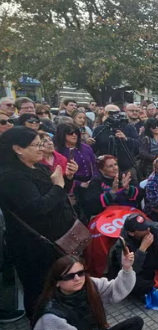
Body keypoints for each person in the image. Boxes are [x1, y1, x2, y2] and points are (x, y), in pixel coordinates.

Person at [0, 127, 78, 318]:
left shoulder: (40, 167)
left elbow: (58, 194)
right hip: (34, 246)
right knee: (39, 291)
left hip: (57, 239)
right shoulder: (11, 177)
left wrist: (67, 179)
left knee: (62, 285)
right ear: (18, 148)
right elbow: (38, 209)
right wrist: (59, 186)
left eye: (41, 144)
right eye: (36, 145)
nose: (41, 149)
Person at [32, 255, 142, 330]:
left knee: (136, 322)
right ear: (57, 283)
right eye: (69, 276)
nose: (77, 278)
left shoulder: (89, 284)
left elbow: (115, 290)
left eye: (80, 273)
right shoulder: (52, 316)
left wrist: (127, 268)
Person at [78, 155, 141, 219]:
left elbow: (140, 196)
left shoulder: (125, 177)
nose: (115, 168)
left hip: (128, 213)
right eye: (110, 166)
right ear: (102, 170)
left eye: (115, 164)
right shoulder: (96, 182)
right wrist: (112, 193)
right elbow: (92, 205)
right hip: (106, 217)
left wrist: (128, 188)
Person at [91, 105, 140, 179]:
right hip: (106, 171)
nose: (114, 115)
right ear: (105, 113)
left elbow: (138, 145)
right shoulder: (99, 129)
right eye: (111, 113)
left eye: (117, 113)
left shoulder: (129, 127)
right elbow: (94, 150)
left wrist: (126, 139)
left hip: (126, 168)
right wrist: (90, 143)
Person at [55, 122, 98, 190]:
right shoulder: (58, 152)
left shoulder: (86, 148)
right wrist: (79, 184)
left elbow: (95, 165)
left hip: (92, 184)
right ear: (62, 135)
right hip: (71, 187)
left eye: (76, 133)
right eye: (70, 133)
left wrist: (93, 179)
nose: (74, 135)